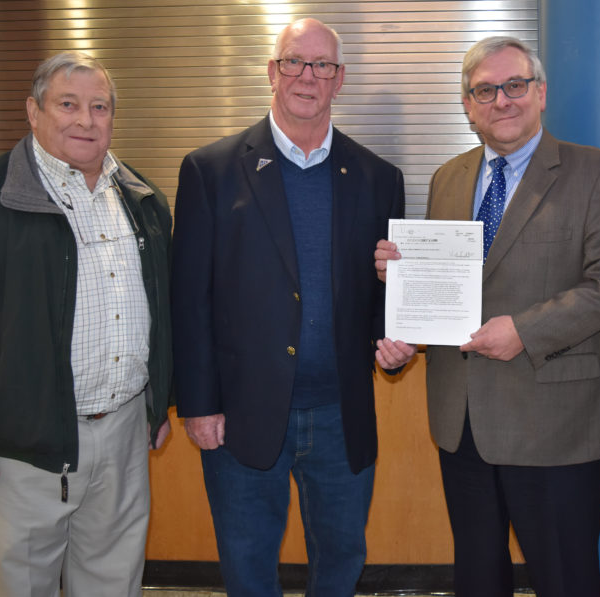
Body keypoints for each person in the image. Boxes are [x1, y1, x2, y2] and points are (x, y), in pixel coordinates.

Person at [374, 36, 600, 597]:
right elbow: (453, 290)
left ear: (540, 93)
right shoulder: (448, 178)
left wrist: (524, 330)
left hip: (553, 422)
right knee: (477, 578)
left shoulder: (597, 172)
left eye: (515, 86)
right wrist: (403, 293)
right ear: (468, 105)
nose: (502, 100)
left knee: (565, 579)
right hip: (462, 420)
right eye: (485, 91)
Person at [170, 18, 406, 597]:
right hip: (241, 416)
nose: (308, 76)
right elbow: (189, 297)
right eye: (296, 62)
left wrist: (397, 342)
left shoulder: (379, 177)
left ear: (339, 80)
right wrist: (198, 406)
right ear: (272, 72)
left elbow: (383, 292)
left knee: (342, 558)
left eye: (323, 65)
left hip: (340, 414)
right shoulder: (210, 171)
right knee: (248, 565)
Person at [0, 51, 172, 597]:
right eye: (68, 104)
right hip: (18, 450)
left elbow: (164, 307)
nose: (86, 119)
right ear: (33, 111)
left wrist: (160, 400)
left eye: (99, 106)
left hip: (122, 438)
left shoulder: (143, 199)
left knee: (112, 584)